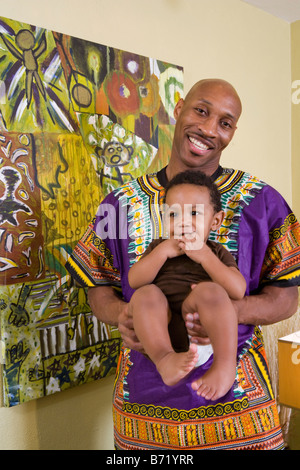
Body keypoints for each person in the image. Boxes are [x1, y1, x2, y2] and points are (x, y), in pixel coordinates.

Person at [65, 79, 300, 450]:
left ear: (232, 133)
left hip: (239, 407)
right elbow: (98, 290)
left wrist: (225, 311)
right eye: (201, 111)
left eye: (225, 123)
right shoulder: (119, 204)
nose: (209, 129)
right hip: (143, 407)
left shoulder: (264, 202)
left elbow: (286, 298)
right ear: (178, 109)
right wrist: (123, 314)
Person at [128, 169, 246, 401]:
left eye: (194, 213)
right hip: (162, 330)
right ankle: (164, 359)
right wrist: (162, 252)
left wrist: (205, 257)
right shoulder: (158, 247)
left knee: (211, 291)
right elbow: (135, 280)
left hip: (201, 334)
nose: (182, 221)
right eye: (173, 215)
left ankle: (224, 366)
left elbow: (237, 290)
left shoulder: (214, 252)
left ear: (215, 221)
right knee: (144, 294)